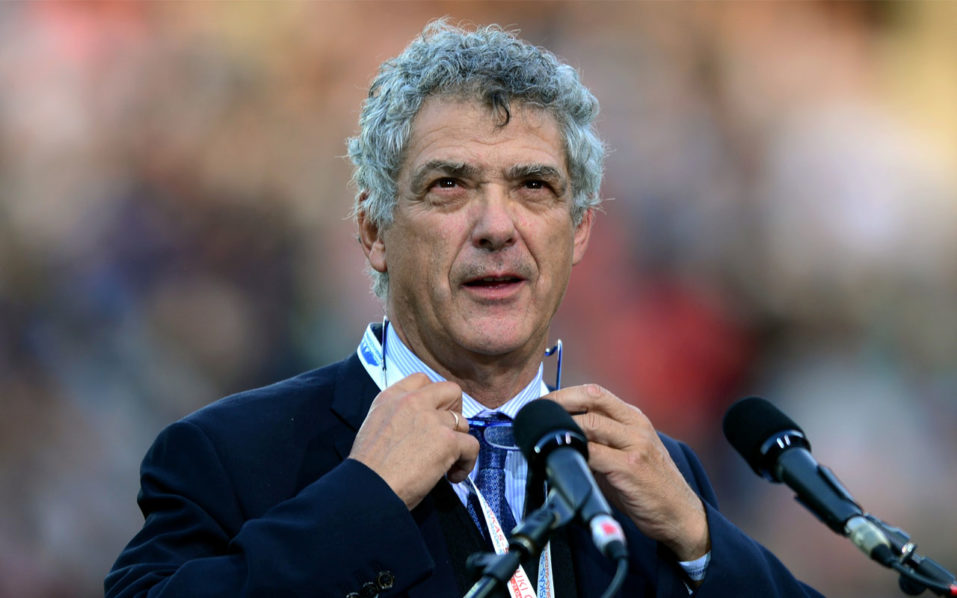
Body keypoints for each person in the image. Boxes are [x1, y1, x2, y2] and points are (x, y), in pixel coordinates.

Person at [106, 21, 823, 598]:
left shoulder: (652, 477)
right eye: (449, 185)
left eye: (534, 186)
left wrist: (700, 541)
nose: (496, 226)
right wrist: (361, 501)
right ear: (373, 231)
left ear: (579, 232)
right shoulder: (229, 455)